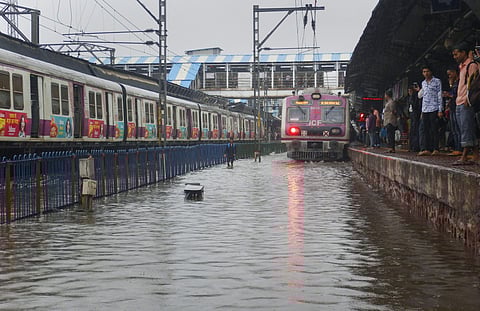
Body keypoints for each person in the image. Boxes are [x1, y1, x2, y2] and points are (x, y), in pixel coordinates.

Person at [451, 42, 479, 165]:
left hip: (466, 101)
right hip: (459, 101)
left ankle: (464, 156)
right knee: (466, 128)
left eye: (456, 54)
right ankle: (476, 155)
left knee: (466, 128)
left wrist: (468, 99)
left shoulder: (471, 65)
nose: (455, 57)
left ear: (463, 52)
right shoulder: (462, 67)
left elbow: (474, 84)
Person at [414, 65, 443, 156]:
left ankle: (435, 148)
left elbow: (439, 95)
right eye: (424, 72)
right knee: (424, 129)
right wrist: (422, 111)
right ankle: (425, 148)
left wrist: (440, 109)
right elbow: (421, 96)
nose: (426, 73)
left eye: (427, 71)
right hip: (425, 109)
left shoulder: (437, 81)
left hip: (434, 108)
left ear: (431, 72)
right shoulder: (423, 83)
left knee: (434, 129)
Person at [443, 66, 462, 156]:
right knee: (454, 129)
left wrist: (448, 94)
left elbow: (455, 94)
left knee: (458, 129)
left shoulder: (459, 82)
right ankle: (456, 147)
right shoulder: (454, 83)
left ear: (454, 72)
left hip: (457, 106)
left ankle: (459, 148)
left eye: (450, 74)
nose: (449, 76)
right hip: (452, 107)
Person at [407, 85, 421, 152]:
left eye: (410, 91)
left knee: (415, 130)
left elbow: (415, 105)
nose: (409, 92)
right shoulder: (410, 97)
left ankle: (415, 146)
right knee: (412, 130)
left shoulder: (415, 97)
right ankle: (412, 146)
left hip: (415, 114)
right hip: (412, 115)